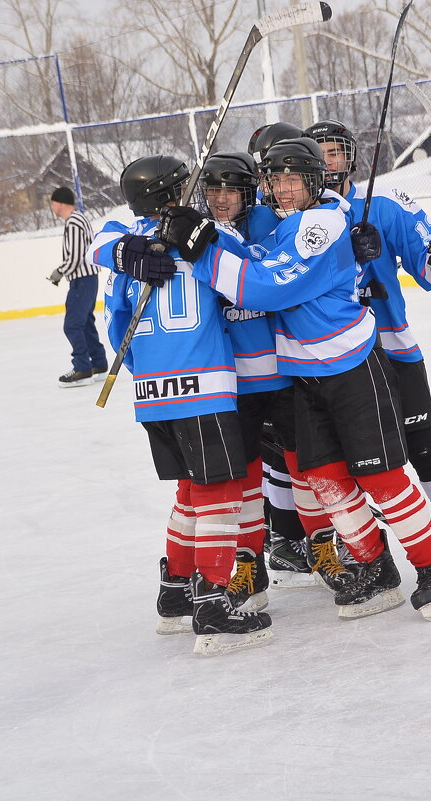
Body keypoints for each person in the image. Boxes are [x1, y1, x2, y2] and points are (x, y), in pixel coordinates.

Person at [154, 138, 431, 622]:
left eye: (293, 179)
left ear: (315, 180)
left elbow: (267, 285)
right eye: (275, 180)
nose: (282, 190)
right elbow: (258, 249)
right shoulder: (291, 219)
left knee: (381, 478)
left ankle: (430, 569)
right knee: (322, 477)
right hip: (304, 376)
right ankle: (375, 566)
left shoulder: (319, 223)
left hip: (351, 368)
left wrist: (203, 251)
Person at [86, 155, 272, 655]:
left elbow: (115, 325)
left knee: (191, 492)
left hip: (151, 395)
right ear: (175, 195)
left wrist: (151, 372)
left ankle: (174, 592)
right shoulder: (207, 239)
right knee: (221, 494)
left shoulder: (128, 252)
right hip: (205, 388)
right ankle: (212, 601)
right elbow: (253, 291)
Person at [303, 118, 431, 568]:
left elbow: (426, 257)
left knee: (422, 439)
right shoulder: (295, 220)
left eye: (335, 151)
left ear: (350, 157)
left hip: (390, 346)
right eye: (318, 152)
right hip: (332, 358)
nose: (329, 161)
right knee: (346, 456)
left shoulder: (383, 204)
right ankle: (362, 537)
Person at [195, 151, 354, 599]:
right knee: (245, 478)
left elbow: (330, 211)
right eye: (212, 190)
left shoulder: (275, 221)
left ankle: (323, 547)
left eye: (231, 189)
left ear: (250, 191)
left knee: (306, 468)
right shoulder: (198, 232)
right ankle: (249, 562)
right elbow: (114, 233)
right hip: (233, 383)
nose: (221, 199)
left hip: (286, 373)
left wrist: (355, 236)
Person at [47, 187, 109, 387]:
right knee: (85, 322)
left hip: (81, 280)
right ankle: (98, 363)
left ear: (61, 203)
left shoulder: (73, 222)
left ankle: (82, 368)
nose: (52, 206)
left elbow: (75, 255)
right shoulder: (79, 218)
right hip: (88, 278)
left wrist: (59, 271)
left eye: (53, 202)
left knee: (73, 324)